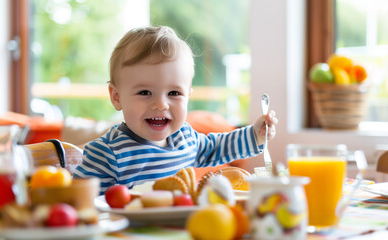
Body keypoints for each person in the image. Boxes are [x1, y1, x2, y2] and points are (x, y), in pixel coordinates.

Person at [73, 26, 278, 194]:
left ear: (188, 95)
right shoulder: (106, 153)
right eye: (145, 92)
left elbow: (218, 146)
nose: (161, 104)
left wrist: (256, 135)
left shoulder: (186, 139)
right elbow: (83, 206)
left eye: (173, 93)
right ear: (116, 97)